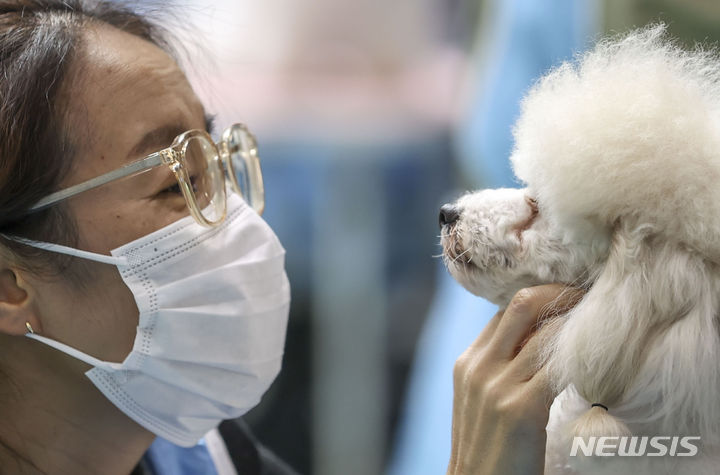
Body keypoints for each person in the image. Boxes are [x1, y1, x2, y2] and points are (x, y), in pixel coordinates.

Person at [0, 1, 574, 473]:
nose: (237, 224)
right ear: (10, 284)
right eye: (177, 183)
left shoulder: (215, 459)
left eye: (218, 161)